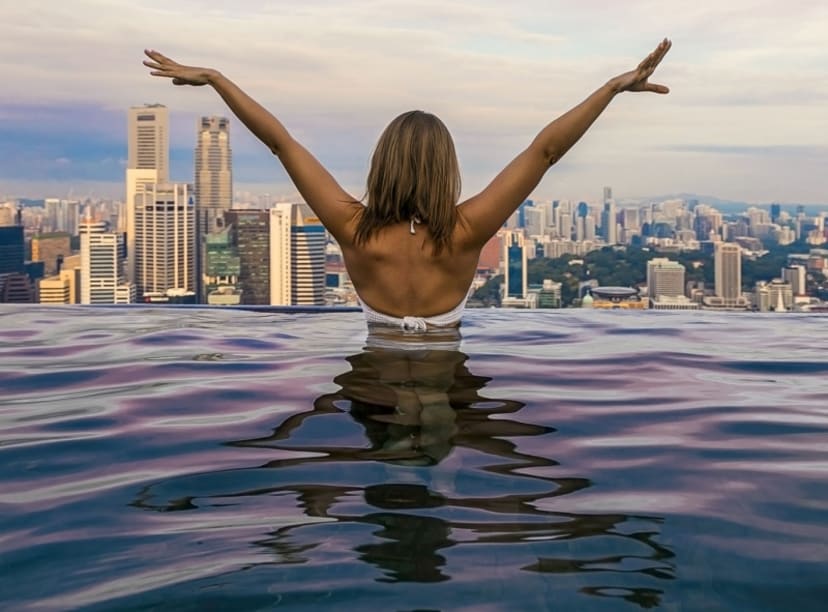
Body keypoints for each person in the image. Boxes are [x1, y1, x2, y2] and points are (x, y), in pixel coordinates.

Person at [143, 39, 671, 331]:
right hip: (450, 382)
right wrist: (611, 88)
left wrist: (216, 78)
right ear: (446, 168)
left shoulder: (355, 232)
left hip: (372, 382)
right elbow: (545, 151)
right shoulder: (464, 232)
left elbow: (281, 143)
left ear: (383, 164)